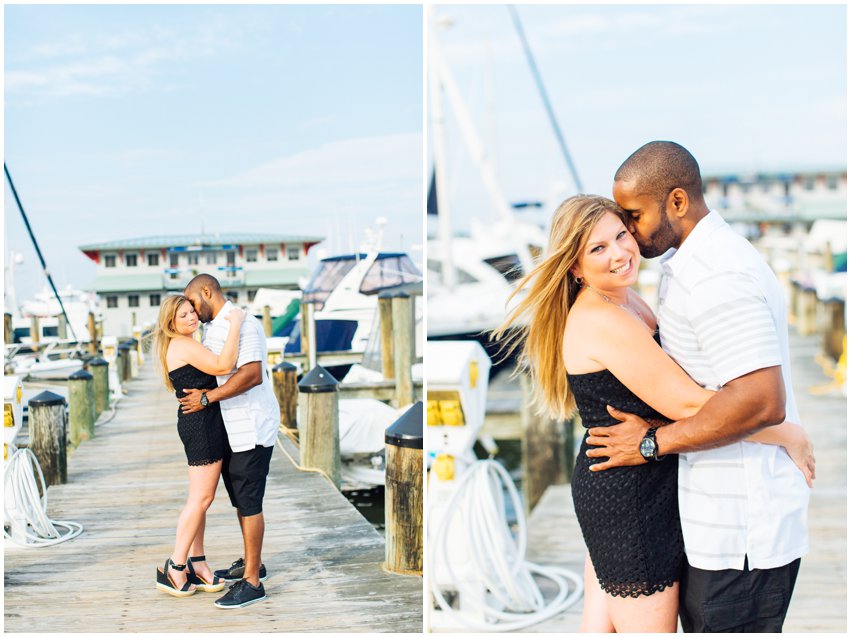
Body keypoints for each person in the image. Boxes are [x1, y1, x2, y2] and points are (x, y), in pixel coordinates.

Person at [492, 194, 813, 632]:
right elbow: (686, 402)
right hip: (629, 498)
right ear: (574, 266)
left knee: (602, 625)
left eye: (621, 235)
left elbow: (662, 398)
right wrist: (785, 433)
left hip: (633, 478)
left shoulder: (624, 302)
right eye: (597, 249)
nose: (620, 253)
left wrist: (657, 427)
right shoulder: (603, 319)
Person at [586, 141, 811, 632]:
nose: (628, 228)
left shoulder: (716, 275)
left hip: (742, 533)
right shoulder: (693, 265)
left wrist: (650, 443)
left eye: (634, 214)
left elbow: (759, 400)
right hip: (717, 519)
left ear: (677, 202)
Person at [178, 273, 280, 610]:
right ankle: (254, 562)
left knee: (250, 501)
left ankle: (252, 582)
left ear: (206, 292)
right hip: (231, 429)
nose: (193, 311)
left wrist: (207, 398)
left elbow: (251, 374)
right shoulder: (213, 326)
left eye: (193, 303)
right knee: (240, 500)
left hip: (252, 425)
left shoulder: (244, 323)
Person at [153, 294, 245, 597]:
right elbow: (224, 365)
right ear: (171, 323)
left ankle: (197, 562)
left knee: (200, 498)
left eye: (192, 311)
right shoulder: (182, 344)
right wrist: (236, 324)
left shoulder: (184, 342)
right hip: (201, 425)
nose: (192, 317)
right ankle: (175, 566)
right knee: (201, 499)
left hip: (203, 422)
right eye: (183, 315)